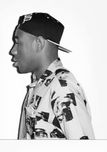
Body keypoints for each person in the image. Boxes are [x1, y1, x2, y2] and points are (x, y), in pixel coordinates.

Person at [9, 12, 95, 140]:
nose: (13, 51)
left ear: (39, 43)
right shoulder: (39, 86)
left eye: (18, 42)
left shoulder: (62, 89)